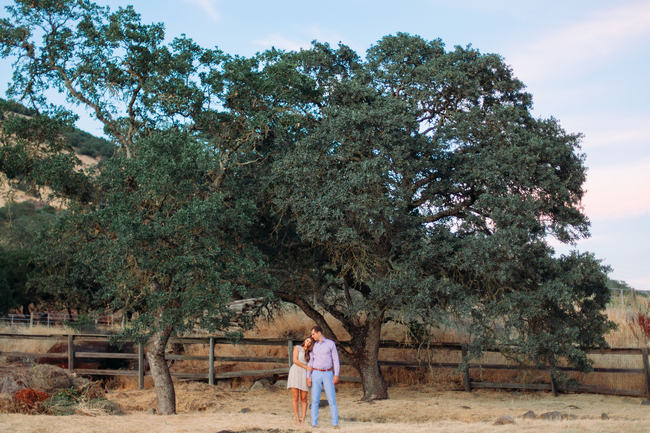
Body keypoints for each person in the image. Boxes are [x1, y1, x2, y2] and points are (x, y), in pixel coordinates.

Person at [306, 325, 340, 428]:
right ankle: (314, 423)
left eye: (313, 334)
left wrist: (336, 374)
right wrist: (308, 376)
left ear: (319, 333)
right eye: (311, 334)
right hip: (316, 374)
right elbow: (311, 362)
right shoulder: (313, 346)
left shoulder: (330, 344)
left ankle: (335, 423)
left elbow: (336, 360)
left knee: (331, 399)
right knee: (315, 399)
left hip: (328, 374)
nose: (312, 336)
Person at [286, 336, 313, 423]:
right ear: (304, 340)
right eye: (307, 340)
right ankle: (297, 418)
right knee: (295, 397)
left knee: (304, 398)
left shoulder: (311, 352)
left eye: (310, 342)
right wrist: (306, 366)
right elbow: (295, 360)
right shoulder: (297, 348)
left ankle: (303, 418)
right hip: (295, 372)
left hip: (304, 374)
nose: (308, 343)